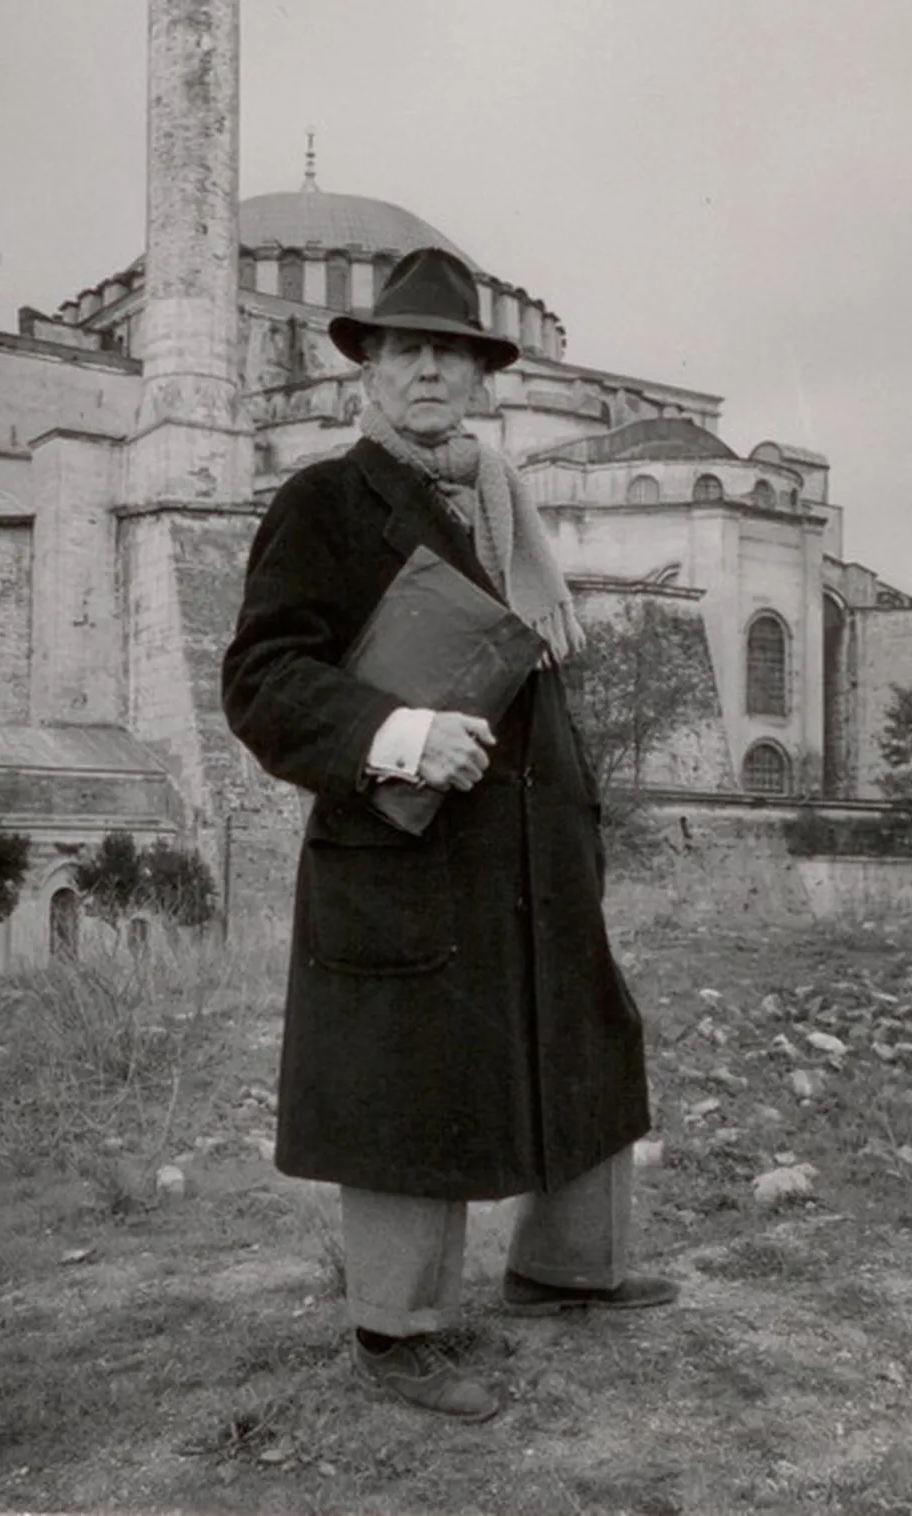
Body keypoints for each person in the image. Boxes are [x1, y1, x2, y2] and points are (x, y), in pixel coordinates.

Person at [221, 247, 677, 1424]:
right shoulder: (323, 501)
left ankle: (563, 1269)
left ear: (480, 374)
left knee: (575, 1026)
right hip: (402, 840)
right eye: (405, 348)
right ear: (366, 369)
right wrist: (397, 733)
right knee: (406, 1072)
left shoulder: (501, 498)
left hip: (529, 845)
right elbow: (263, 680)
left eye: (451, 351)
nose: (428, 368)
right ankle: (396, 1332)